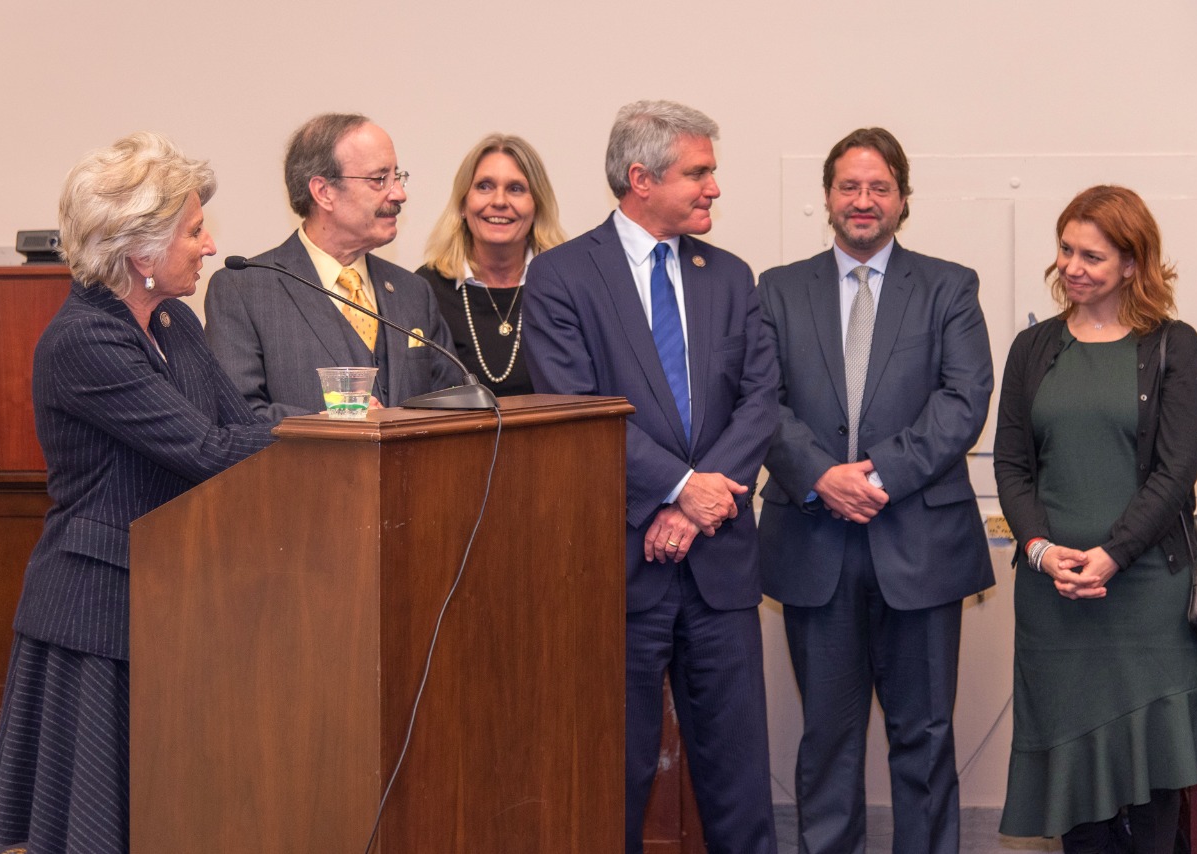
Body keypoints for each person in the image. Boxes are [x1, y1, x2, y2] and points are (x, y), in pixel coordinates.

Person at [0, 132, 277, 854]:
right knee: (97, 830)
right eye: (193, 230)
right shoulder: (85, 340)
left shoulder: (175, 320)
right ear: (140, 253)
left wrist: (291, 423)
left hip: (172, 603)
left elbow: (241, 424)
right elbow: (205, 450)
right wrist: (322, 422)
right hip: (97, 615)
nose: (210, 244)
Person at [523, 100, 779, 854]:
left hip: (720, 570)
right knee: (614, 780)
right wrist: (674, 489)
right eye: (698, 173)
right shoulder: (564, 276)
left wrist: (697, 504)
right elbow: (579, 410)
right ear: (641, 178)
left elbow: (761, 401)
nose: (714, 189)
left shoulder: (730, 276)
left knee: (739, 783)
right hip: (618, 570)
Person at [757, 127, 995, 854]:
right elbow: (757, 399)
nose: (863, 201)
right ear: (827, 196)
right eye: (849, 187)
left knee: (923, 736)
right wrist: (821, 478)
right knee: (826, 736)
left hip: (920, 541)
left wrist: (878, 476)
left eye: (879, 187)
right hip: (813, 536)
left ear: (902, 199)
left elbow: (965, 398)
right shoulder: (777, 288)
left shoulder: (950, 285)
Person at [995, 185, 1197, 853]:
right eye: (1067, 250)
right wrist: (1042, 551)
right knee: (1074, 780)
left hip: (1147, 595)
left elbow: (1173, 473)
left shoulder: (1173, 346)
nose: (1073, 267)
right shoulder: (1034, 347)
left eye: (1093, 256)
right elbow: (1012, 466)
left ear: (1133, 263)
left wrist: (1110, 556)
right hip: (1054, 596)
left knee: (1153, 780)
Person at [205, 113, 464, 419]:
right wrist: (332, 421)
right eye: (379, 179)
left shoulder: (413, 291)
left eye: (398, 176)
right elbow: (238, 416)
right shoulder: (244, 290)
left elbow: (454, 405)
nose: (399, 193)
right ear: (323, 192)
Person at [416, 134, 566, 396]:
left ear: (537, 206)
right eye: (484, 186)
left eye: (516, 188)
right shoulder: (424, 290)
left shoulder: (564, 288)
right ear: (463, 203)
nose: (499, 201)